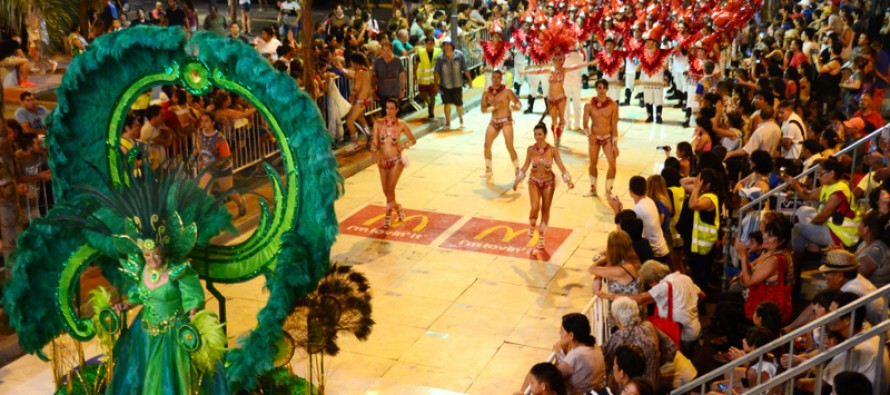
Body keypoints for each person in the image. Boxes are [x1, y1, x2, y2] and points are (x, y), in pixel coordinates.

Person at [598, 260, 703, 352]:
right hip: (695, 328)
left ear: (653, 281)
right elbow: (702, 295)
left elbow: (640, 299)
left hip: (682, 335)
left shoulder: (664, 286)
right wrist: (688, 309)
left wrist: (609, 296)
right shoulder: (684, 278)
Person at [513, 123, 574, 250]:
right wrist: (517, 180)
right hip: (534, 182)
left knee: (545, 210)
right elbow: (525, 167)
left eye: (540, 134)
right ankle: (532, 224)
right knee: (535, 206)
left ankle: (541, 237)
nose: (537, 137)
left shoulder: (552, 150)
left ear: (545, 135)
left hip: (548, 183)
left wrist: (568, 180)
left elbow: (561, 166)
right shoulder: (530, 149)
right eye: (535, 134)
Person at [784, 157, 860, 254]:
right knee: (803, 210)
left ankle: (797, 260)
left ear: (831, 174)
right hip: (831, 225)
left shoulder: (838, 192)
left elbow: (822, 217)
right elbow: (807, 195)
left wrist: (808, 226)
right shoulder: (828, 185)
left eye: (821, 174)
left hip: (841, 234)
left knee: (798, 228)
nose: (818, 177)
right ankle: (813, 246)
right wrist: (794, 184)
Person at [602, 296, 677, 386]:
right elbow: (671, 347)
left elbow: (602, 355)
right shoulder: (648, 327)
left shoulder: (619, 336)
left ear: (618, 319)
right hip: (651, 384)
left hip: (629, 388)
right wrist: (656, 364)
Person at [524, 52, 590, 149]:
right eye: (555, 60)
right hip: (550, 99)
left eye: (560, 60)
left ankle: (558, 139)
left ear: (563, 60)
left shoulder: (564, 70)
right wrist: (525, 71)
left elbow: (577, 66)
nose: (558, 62)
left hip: (561, 98)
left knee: (562, 120)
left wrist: (591, 63)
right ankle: (556, 138)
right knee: (554, 121)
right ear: (552, 60)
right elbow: (537, 71)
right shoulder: (549, 70)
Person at [370, 99, 416, 229]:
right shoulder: (378, 123)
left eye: (392, 108)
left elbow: (413, 140)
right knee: (386, 191)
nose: (389, 111)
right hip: (382, 161)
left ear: (397, 110)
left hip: (396, 161)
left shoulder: (401, 125)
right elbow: (375, 140)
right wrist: (373, 148)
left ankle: (388, 215)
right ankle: (398, 207)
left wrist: (404, 145)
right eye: (387, 108)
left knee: (390, 189)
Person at [194, 112, 247, 217]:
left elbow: (225, 157)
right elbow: (199, 148)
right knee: (203, 192)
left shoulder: (220, 138)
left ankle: (240, 202)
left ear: (213, 123)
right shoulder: (200, 134)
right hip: (208, 169)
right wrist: (193, 158)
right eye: (202, 121)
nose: (203, 124)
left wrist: (212, 164)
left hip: (222, 169)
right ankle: (206, 217)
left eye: (206, 121)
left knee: (227, 191)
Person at [608, 176, 671, 264]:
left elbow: (622, 232)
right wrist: (619, 209)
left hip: (655, 254)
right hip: (662, 248)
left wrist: (616, 209)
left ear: (630, 192)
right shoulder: (649, 201)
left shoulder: (638, 209)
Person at [480, 69, 522, 179]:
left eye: (498, 77)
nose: (496, 79)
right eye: (494, 77)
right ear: (491, 78)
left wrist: (515, 108)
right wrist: (493, 108)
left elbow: (519, 104)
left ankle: (518, 171)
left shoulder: (507, 91)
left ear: (501, 79)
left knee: (509, 146)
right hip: (494, 121)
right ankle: (488, 170)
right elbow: (483, 109)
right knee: (486, 145)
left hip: (506, 121)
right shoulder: (486, 92)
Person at [583, 79, 619, 197]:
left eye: (604, 88)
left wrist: (615, 144)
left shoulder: (613, 105)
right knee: (593, 163)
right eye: (599, 88)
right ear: (596, 89)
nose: (601, 90)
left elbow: (614, 125)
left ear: (607, 89)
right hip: (595, 137)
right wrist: (590, 135)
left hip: (608, 138)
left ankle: (608, 191)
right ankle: (593, 189)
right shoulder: (589, 105)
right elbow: (585, 124)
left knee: (612, 165)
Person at [553, 313, 606, 394]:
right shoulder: (595, 344)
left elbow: (554, 375)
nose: (559, 333)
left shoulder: (576, 355)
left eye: (562, 331)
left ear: (571, 335)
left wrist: (559, 353)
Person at [434, 39, 471, 130]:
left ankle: (461, 120)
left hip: (457, 84)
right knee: (447, 104)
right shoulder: (440, 58)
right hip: (445, 85)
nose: (446, 47)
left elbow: (465, 69)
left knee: (459, 104)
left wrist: (470, 80)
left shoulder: (459, 55)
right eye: (444, 45)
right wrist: (436, 84)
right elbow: (436, 72)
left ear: (452, 45)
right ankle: (448, 122)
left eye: (448, 45)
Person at [638, 29, 671, 123]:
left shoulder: (661, 54)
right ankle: (649, 116)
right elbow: (640, 67)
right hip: (646, 80)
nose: (647, 43)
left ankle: (659, 116)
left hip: (658, 80)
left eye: (649, 41)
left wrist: (665, 79)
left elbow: (666, 68)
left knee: (658, 98)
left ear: (655, 42)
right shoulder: (644, 53)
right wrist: (638, 78)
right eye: (646, 41)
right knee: (648, 98)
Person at [342, 53, 373, 152]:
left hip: (359, 101)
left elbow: (356, 87)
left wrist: (351, 96)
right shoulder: (366, 70)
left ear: (354, 63)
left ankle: (355, 144)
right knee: (360, 118)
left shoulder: (360, 72)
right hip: (364, 100)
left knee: (349, 121)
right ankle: (369, 135)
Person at [856, 210, 890, 288]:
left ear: (866, 229)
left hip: (875, 297)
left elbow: (853, 277)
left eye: (860, 222)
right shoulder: (864, 243)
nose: (858, 225)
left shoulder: (875, 251)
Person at [414, 37, 440, 120]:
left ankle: (431, 113)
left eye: (431, 43)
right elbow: (416, 65)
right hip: (423, 79)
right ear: (425, 44)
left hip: (434, 79)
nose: (429, 45)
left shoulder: (438, 52)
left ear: (433, 44)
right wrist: (414, 75)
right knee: (424, 95)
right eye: (428, 44)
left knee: (432, 96)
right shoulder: (421, 53)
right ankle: (429, 105)